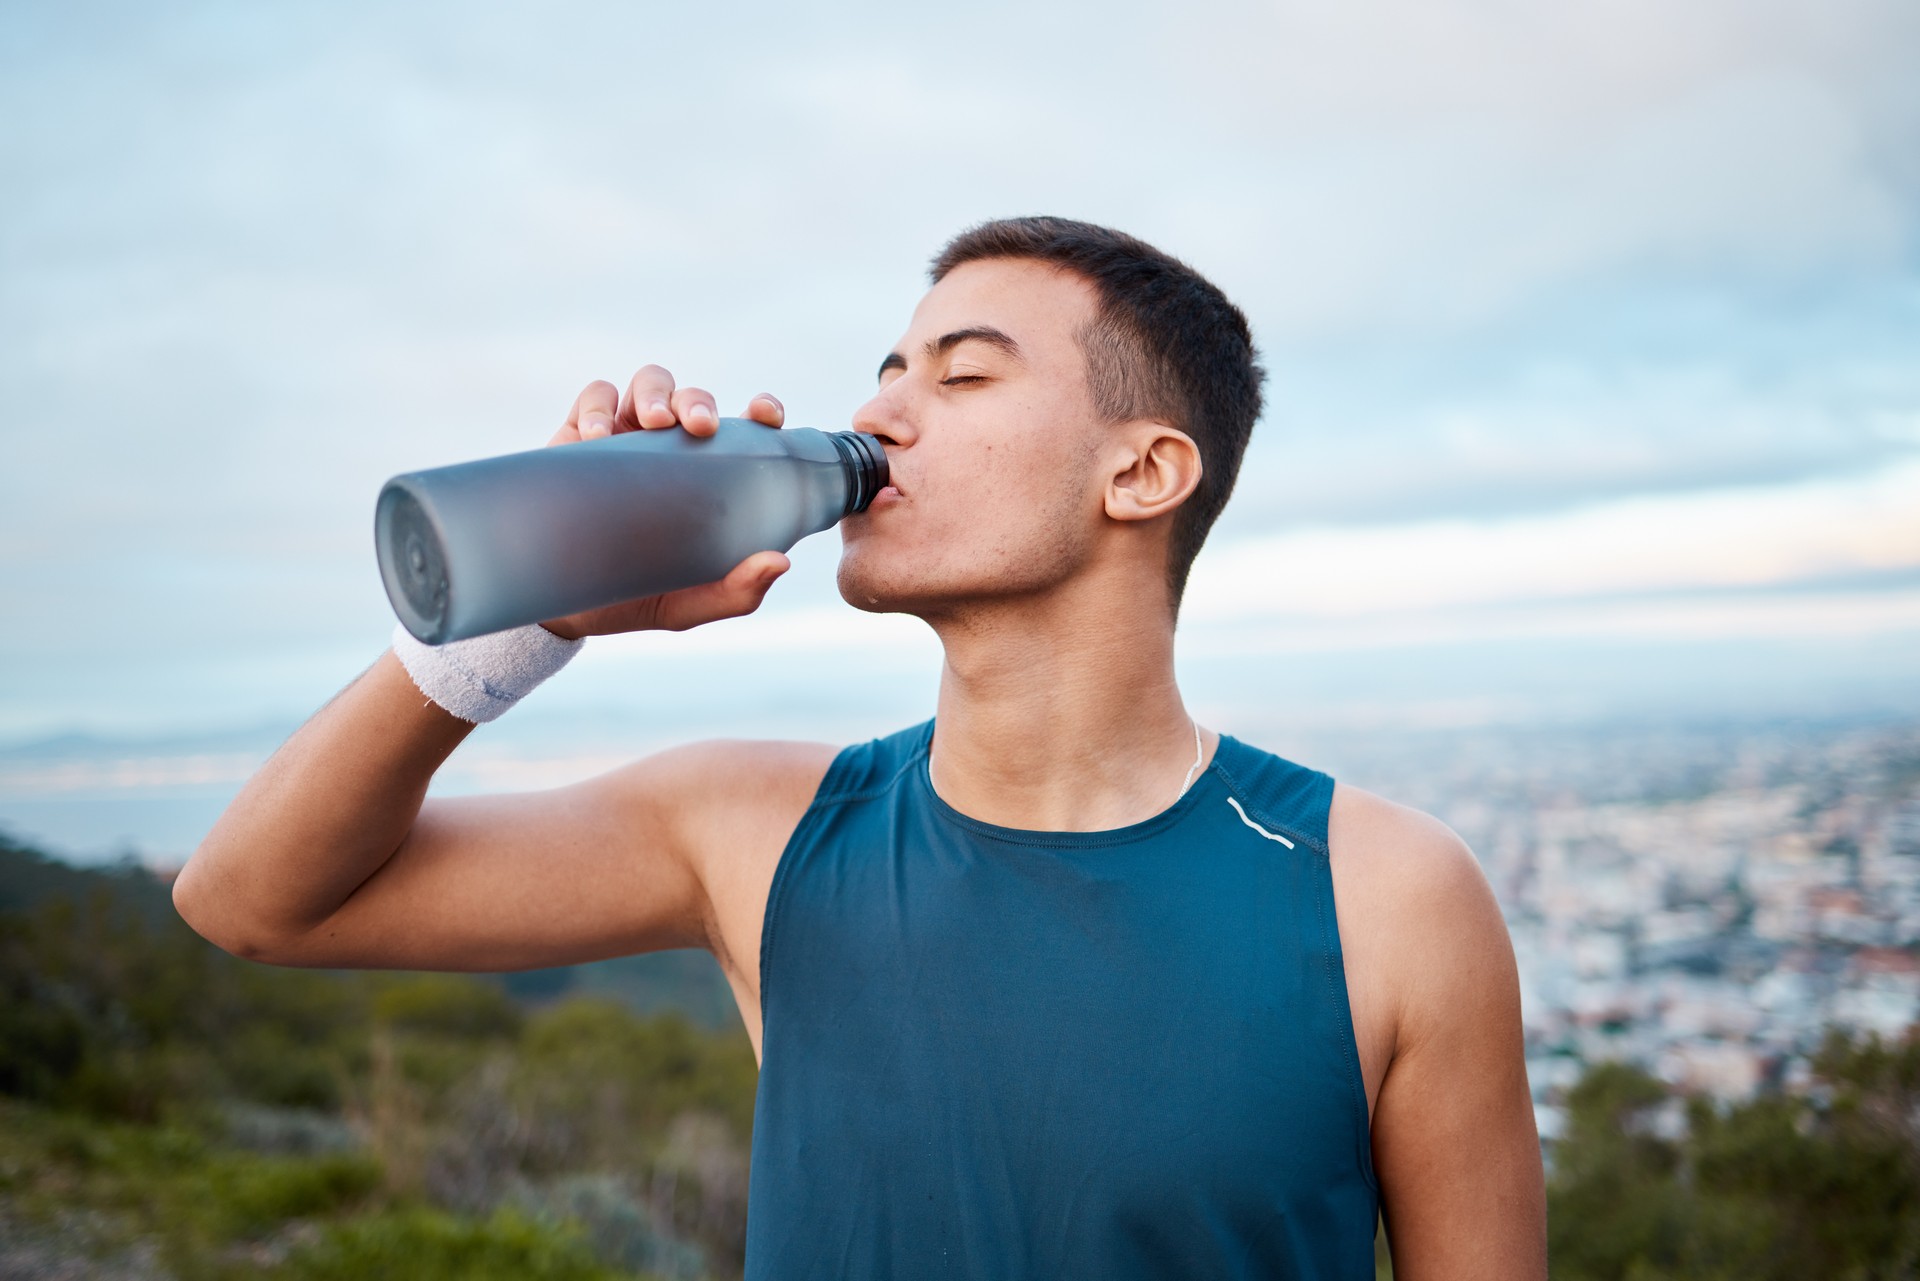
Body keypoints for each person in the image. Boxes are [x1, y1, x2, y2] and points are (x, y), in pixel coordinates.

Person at [174, 216, 1547, 1278]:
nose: (883, 414)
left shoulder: (1384, 894)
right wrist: (522, 626)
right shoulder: (753, 826)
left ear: (1143, 473)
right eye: (889, 369)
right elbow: (252, 898)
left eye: (963, 373)